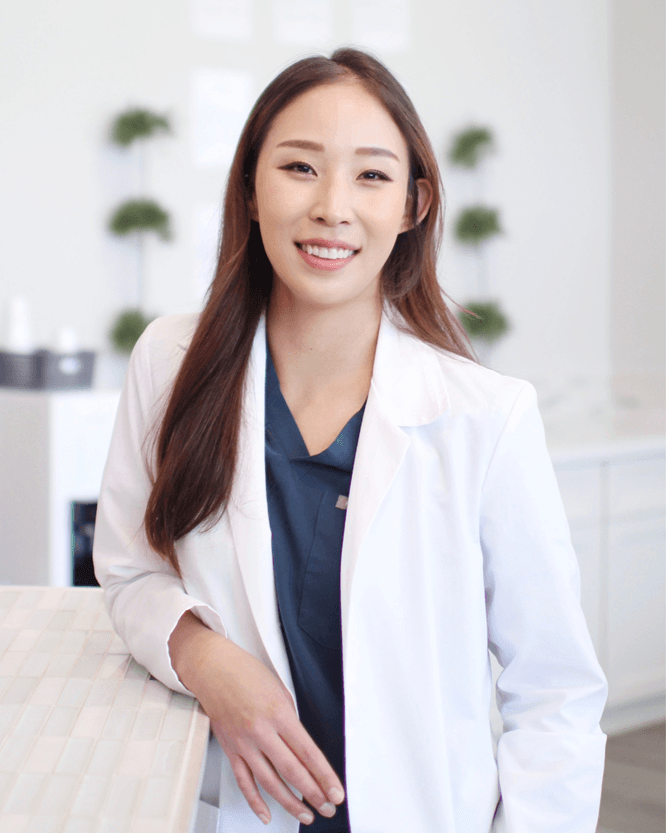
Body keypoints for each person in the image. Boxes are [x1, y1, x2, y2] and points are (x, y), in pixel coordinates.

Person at [93, 47, 608, 833]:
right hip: (228, 811)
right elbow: (129, 573)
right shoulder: (169, 363)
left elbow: (555, 694)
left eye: (370, 175)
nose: (333, 206)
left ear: (413, 205)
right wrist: (206, 657)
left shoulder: (483, 416)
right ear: (251, 190)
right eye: (300, 167)